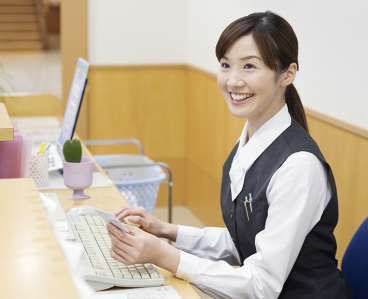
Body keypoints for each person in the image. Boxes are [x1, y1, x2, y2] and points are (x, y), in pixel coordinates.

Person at [107, 11, 351, 299]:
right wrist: (168, 231)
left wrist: (167, 257)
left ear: (287, 73)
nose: (232, 81)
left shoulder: (299, 167)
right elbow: (243, 241)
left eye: (249, 66)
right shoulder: (248, 143)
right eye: (226, 65)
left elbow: (262, 285)